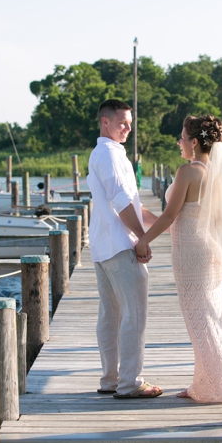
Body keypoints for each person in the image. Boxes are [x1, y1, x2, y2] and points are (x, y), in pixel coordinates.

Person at [135, 115, 222, 403]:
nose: (179, 142)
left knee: (200, 318)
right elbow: (182, 219)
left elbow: (171, 216)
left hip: (191, 251)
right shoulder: (215, 173)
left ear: (194, 142)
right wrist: (141, 213)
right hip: (208, 248)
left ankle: (219, 383)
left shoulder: (188, 171)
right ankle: (210, 380)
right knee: (212, 313)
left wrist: (143, 239)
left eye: (181, 138)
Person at [87, 99, 162, 398]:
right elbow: (120, 201)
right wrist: (142, 238)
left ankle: (111, 379)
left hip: (103, 244)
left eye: (129, 123)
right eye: (122, 123)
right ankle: (129, 382)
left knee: (111, 314)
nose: (128, 128)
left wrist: (166, 224)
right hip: (118, 244)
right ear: (105, 122)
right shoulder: (107, 153)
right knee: (134, 315)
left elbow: (132, 203)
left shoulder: (108, 153)